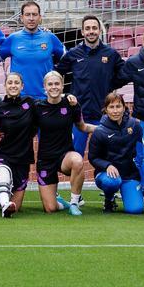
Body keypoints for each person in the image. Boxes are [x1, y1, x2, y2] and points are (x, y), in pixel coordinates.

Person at [55, 15, 121, 154]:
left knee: (107, 155)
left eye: (94, 28)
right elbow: (57, 73)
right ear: (82, 32)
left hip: (104, 115)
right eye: (88, 28)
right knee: (75, 156)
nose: (91, 31)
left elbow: (125, 74)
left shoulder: (111, 54)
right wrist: (63, 94)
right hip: (79, 115)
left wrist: (110, 84)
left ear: (99, 30)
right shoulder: (73, 54)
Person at [0, 72, 37, 218]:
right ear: (5, 86)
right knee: (4, 178)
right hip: (4, 154)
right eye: (10, 83)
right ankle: (4, 206)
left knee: (17, 206)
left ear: (22, 86)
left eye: (16, 83)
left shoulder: (31, 103)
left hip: (23, 157)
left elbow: (49, 108)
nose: (13, 85)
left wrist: (66, 98)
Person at [34, 71, 94, 215]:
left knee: (78, 160)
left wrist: (105, 128)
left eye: (57, 84)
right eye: (50, 84)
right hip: (45, 159)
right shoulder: (37, 107)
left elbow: (83, 126)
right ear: (44, 87)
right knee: (50, 209)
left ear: (62, 86)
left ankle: (74, 203)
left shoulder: (71, 104)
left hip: (64, 156)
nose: (53, 87)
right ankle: (59, 202)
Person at [87, 92, 144, 215]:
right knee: (112, 182)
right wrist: (107, 165)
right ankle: (109, 199)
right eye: (111, 107)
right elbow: (93, 158)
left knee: (135, 209)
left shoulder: (134, 125)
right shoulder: (99, 131)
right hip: (107, 175)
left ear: (124, 108)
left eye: (118, 106)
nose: (115, 111)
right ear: (106, 110)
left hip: (129, 175)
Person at [0, 1, 65, 102]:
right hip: (19, 99)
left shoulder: (50, 37)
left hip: (46, 98)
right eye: (27, 15)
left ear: (40, 17)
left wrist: (54, 71)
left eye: (34, 14)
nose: (31, 18)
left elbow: (67, 59)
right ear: (21, 18)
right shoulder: (12, 39)